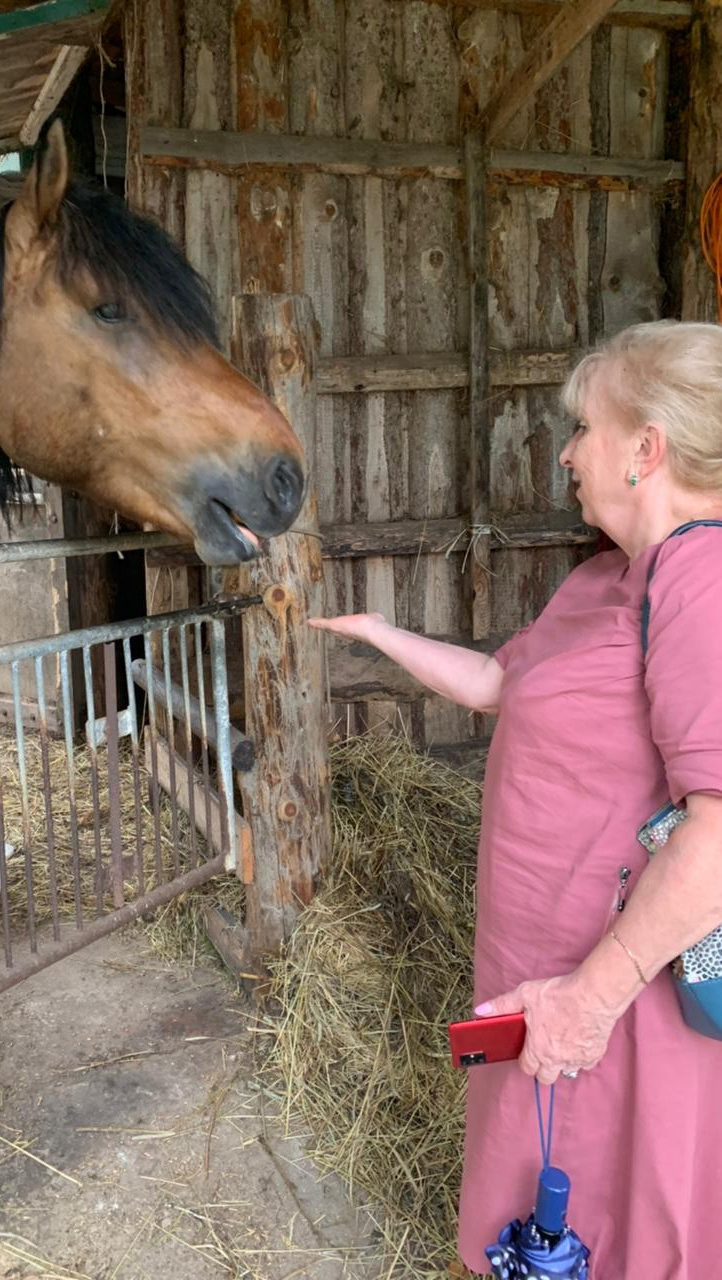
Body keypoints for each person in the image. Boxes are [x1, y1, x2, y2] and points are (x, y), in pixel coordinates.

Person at [309, 319, 722, 1279]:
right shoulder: (608, 578)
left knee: (624, 1203)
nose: (569, 452)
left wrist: (593, 994)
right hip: (544, 957)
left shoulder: (703, 581)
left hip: (620, 984)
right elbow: (501, 683)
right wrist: (376, 632)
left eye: (583, 428)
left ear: (645, 450)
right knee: (545, 1181)